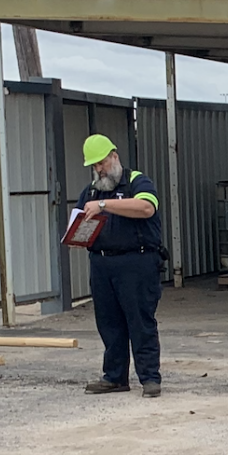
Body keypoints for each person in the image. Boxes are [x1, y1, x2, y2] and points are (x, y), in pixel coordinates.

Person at [74, 134, 164, 397]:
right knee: (109, 323)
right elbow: (81, 219)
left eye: (101, 163)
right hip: (102, 263)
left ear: (114, 156)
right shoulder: (91, 191)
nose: (99, 169)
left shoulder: (137, 181)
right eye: (94, 166)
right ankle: (114, 377)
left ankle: (149, 378)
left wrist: (104, 205)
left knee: (140, 321)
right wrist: (76, 235)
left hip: (136, 262)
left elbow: (147, 208)